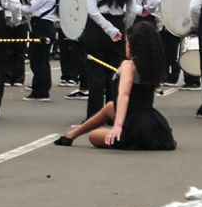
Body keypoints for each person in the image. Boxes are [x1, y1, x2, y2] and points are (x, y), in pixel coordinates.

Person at [52, 20, 176, 151]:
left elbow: (124, 94)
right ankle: (72, 134)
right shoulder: (152, 66)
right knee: (110, 106)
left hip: (134, 125)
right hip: (152, 121)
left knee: (93, 136)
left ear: (133, 45)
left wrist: (117, 126)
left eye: (127, 42)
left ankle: (122, 135)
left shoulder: (129, 66)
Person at [79, 0, 138, 121]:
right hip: (118, 26)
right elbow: (132, 10)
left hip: (97, 28)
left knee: (95, 74)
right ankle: (113, 115)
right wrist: (122, 29)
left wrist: (108, 29)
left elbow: (92, 10)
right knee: (115, 73)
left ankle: (94, 116)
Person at [22, 0, 60, 102]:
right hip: (48, 27)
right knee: (43, 60)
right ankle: (43, 88)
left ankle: (39, 91)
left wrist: (12, 6)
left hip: (41, 27)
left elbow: (29, 8)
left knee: (37, 60)